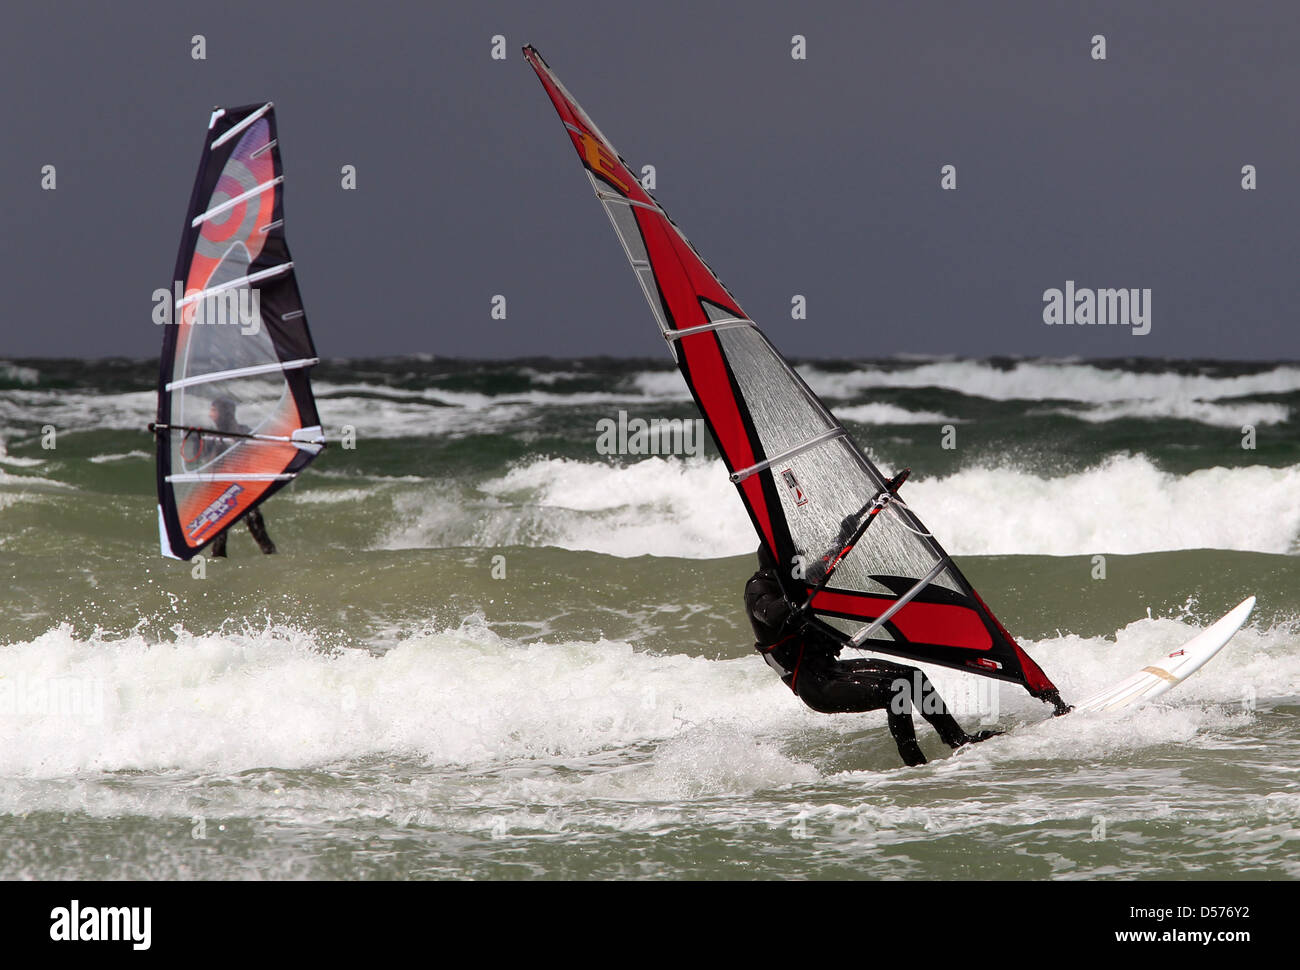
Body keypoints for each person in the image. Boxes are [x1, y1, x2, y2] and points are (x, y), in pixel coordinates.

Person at [745, 544, 998, 766]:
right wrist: (797, 598)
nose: (799, 564)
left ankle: (957, 739)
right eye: (795, 560)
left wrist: (844, 535)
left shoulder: (794, 583)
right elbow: (770, 613)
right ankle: (915, 763)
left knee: (913, 677)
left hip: (832, 669)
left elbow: (828, 559)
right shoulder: (759, 589)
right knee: (895, 691)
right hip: (816, 686)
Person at [201, 396, 277, 557]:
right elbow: (206, 461)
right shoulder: (211, 435)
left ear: (225, 413)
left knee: (260, 535)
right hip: (219, 492)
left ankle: (275, 562)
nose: (210, 415)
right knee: (218, 544)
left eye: (213, 410)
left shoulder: (243, 432)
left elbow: (259, 452)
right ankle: (219, 571)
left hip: (240, 491)